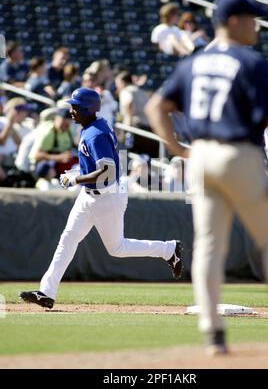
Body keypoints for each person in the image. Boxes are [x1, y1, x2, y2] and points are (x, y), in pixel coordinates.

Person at [146, 0, 268, 354]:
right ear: (233, 21)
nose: (257, 25)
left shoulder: (194, 63)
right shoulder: (250, 61)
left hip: (200, 156)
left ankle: (213, 334)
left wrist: (179, 149)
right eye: (251, 18)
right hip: (238, 154)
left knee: (210, 246)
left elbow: (156, 107)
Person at [20, 87, 183, 309]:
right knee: (68, 239)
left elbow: (106, 173)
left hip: (106, 197)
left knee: (117, 248)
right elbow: (100, 168)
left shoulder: (95, 134)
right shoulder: (93, 125)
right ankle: (46, 292)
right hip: (89, 196)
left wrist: (75, 180)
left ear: (87, 109)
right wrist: (79, 174)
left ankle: (168, 249)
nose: (71, 111)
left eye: (75, 107)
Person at [29, 107, 77, 176]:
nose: (64, 127)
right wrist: (58, 157)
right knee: (48, 171)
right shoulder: (48, 132)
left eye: (67, 124)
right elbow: (37, 155)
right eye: (62, 123)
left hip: (60, 162)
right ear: (56, 119)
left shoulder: (68, 130)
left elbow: (72, 146)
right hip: (41, 165)